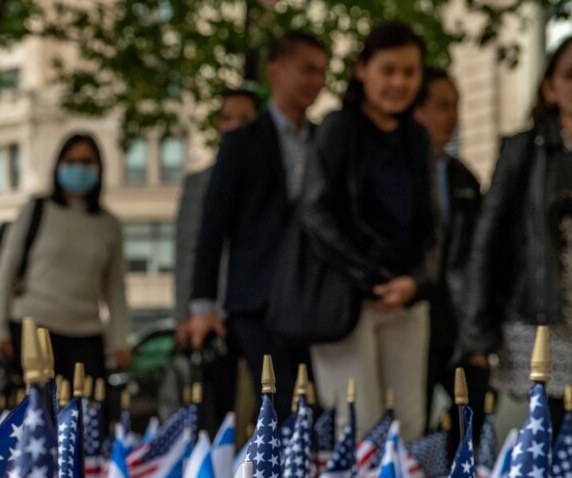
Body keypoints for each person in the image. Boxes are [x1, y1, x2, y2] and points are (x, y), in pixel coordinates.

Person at [301, 21, 437, 440]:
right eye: (388, 69)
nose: (399, 82)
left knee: (409, 427)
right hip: (348, 299)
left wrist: (414, 281)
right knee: (357, 428)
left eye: (410, 72)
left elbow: (435, 223)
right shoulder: (338, 128)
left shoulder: (418, 137)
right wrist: (373, 277)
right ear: (362, 70)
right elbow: (316, 212)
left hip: (407, 300)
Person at [187, 31, 328, 419]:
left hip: (313, 302)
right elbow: (212, 226)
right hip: (256, 302)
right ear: (275, 70)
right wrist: (202, 305)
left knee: (311, 409)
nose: (315, 81)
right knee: (277, 406)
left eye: (322, 72)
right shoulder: (242, 142)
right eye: (306, 69)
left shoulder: (326, 141)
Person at [461, 36, 572, 413]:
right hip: (539, 319)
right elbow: (488, 239)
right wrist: (478, 331)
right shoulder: (525, 149)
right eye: (570, 75)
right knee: (546, 435)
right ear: (550, 88)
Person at [0, 133, 130, 381]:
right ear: (58, 165)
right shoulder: (35, 211)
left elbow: (115, 287)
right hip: (31, 331)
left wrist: (120, 340)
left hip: (87, 336)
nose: (79, 168)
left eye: (87, 162)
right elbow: (5, 272)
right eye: (71, 161)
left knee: (86, 414)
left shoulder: (109, 225)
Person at [173, 88, 260, 428]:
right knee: (217, 406)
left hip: (258, 308)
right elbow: (187, 249)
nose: (235, 126)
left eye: (245, 118)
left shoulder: (270, 178)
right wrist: (186, 312)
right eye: (228, 118)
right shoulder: (198, 183)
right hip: (211, 316)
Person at [412, 66, 485, 430]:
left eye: (456, 106)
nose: (452, 116)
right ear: (417, 108)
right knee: (411, 421)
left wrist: (480, 335)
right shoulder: (397, 172)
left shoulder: (464, 178)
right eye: (442, 105)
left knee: (470, 420)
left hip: (458, 323)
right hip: (409, 314)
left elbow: (483, 256)